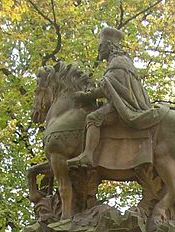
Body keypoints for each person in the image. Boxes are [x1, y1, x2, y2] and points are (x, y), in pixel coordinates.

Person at [67, 26, 165, 168]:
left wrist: (84, 96)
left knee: (92, 118)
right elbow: (113, 88)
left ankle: (87, 155)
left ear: (108, 45)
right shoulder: (123, 61)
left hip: (123, 107)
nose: (98, 50)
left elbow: (106, 88)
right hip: (124, 102)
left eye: (100, 46)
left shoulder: (117, 62)